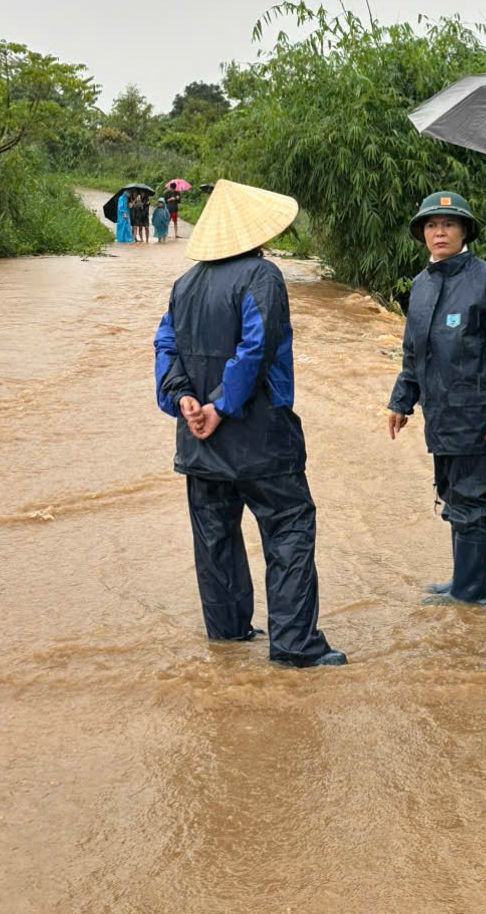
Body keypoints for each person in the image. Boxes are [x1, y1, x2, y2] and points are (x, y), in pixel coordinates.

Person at [153, 178, 346, 668]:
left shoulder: (185, 284)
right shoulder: (262, 276)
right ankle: (295, 647)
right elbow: (255, 349)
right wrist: (219, 406)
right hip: (260, 438)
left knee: (215, 539)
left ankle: (228, 635)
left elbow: (165, 348)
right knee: (289, 529)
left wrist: (186, 401)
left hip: (198, 443)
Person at [387, 191, 486, 606]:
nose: (439, 232)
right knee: (452, 493)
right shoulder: (421, 284)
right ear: (423, 234)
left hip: (480, 414)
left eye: (448, 224)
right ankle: (462, 582)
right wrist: (401, 401)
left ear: (465, 230)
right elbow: (414, 352)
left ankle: (471, 595)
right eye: (431, 225)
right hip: (441, 414)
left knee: (471, 499)